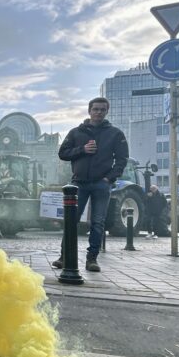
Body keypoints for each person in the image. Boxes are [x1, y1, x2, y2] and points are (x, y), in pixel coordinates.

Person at [52, 97, 128, 272]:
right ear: (89, 111)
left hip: (102, 184)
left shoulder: (115, 134)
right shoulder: (76, 132)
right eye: (96, 109)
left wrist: (109, 178)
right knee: (71, 221)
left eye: (102, 109)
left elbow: (122, 160)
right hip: (78, 184)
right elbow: (62, 153)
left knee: (97, 222)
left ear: (107, 111)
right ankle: (64, 257)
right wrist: (82, 150)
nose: (99, 112)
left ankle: (92, 259)